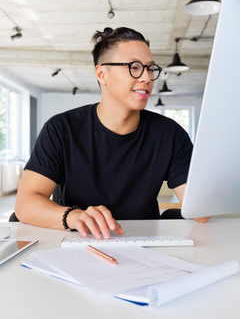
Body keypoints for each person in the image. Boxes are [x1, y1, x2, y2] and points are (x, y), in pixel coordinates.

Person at [15, 27, 210, 240]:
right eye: (134, 67)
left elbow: (200, 213)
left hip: (144, 245)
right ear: (102, 74)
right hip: (78, 242)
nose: (147, 77)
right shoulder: (61, 129)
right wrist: (74, 216)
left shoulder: (170, 134)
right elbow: (25, 204)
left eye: (150, 68)